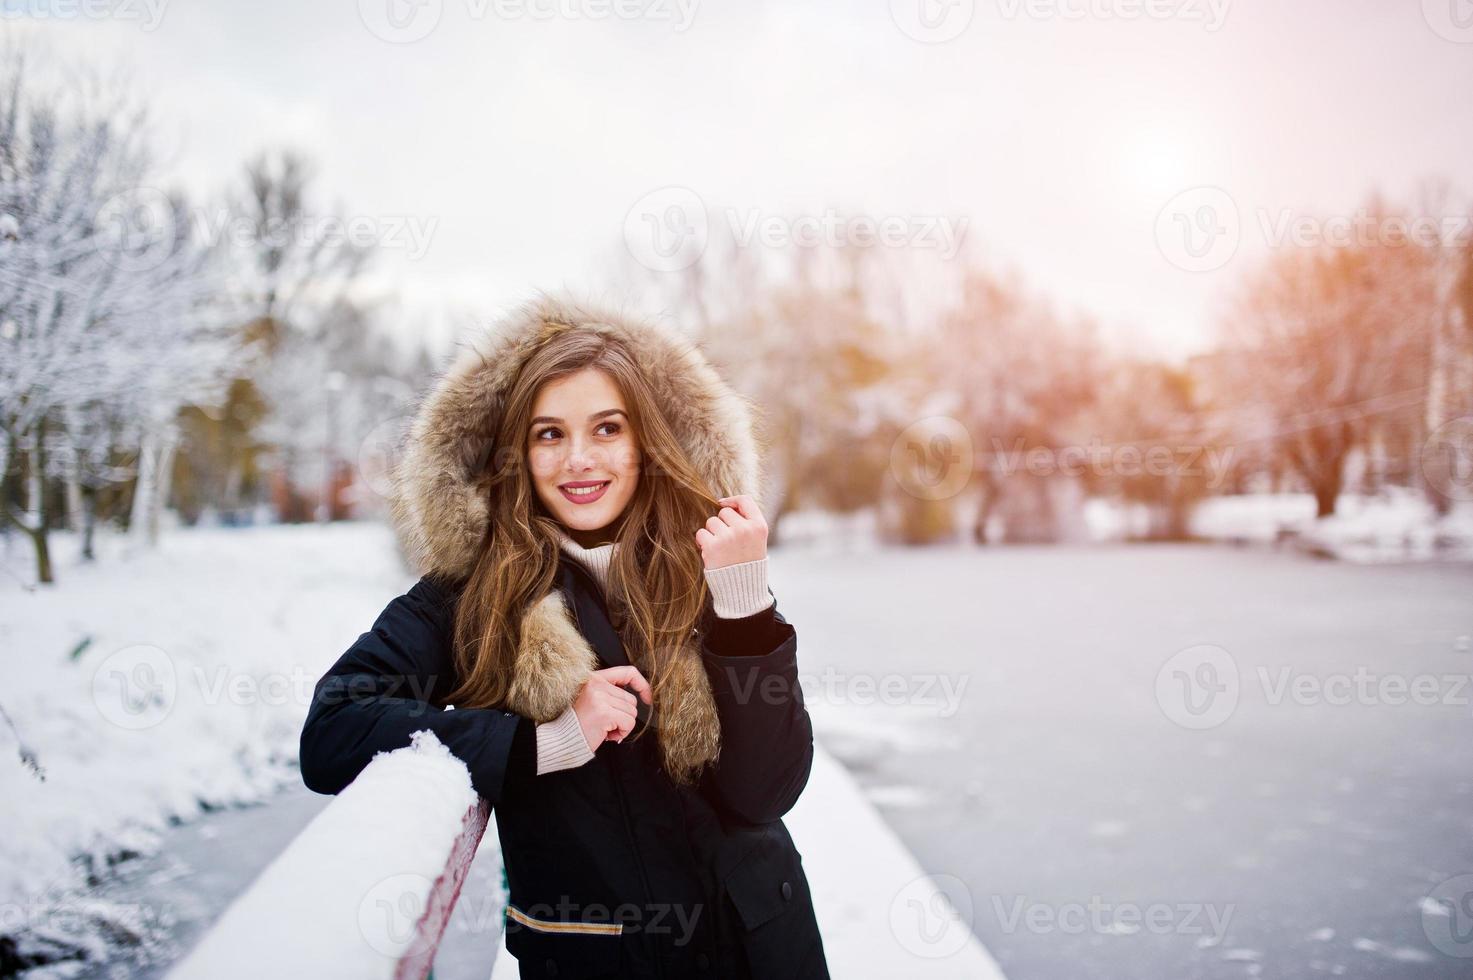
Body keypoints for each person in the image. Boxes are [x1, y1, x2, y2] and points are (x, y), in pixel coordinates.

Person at [299, 296, 830, 979]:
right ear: (514, 453)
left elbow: (765, 791)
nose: (578, 459)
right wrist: (544, 744)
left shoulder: (705, 569)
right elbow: (332, 732)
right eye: (548, 434)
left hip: (762, 948)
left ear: (646, 441)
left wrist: (745, 605)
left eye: (606, 428)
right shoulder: (468, 599)